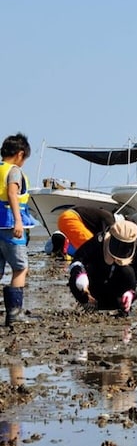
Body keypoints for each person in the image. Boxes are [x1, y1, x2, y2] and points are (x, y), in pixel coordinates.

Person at [67, 219, 137, 314]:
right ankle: (88, 304)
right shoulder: (98, 241)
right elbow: (78, 259)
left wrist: (132, 293)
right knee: (75, 278)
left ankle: (123, 306)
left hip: (117, 296)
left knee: (128, 272)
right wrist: (80, 274)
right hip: (93, 290)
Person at [0, 133, 37, 326]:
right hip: (9, 226)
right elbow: (12, 194)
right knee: (20, 267)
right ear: (20, 154)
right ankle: (14, 313)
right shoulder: (13, 171)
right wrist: (18, 221)